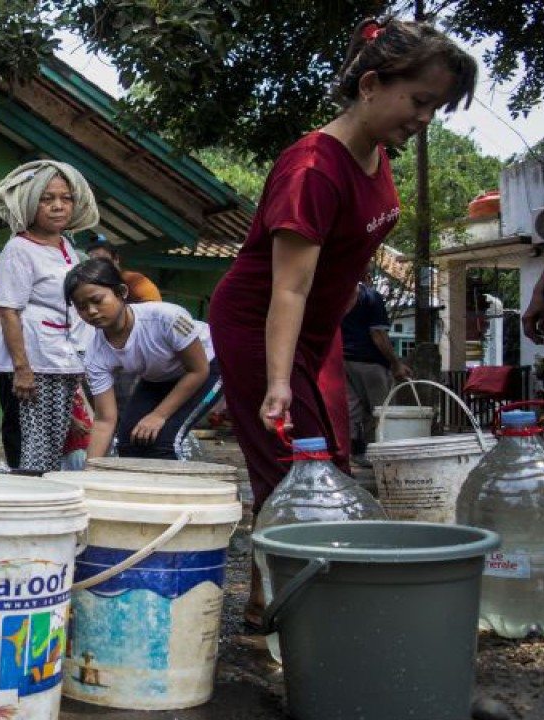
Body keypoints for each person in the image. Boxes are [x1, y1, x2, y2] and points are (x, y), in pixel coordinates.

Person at [207, 16, 476, 624]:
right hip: (263, 325)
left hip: (317, 329)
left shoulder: (377, 154)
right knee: (294, 465)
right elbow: (290, 285)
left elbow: (339, 248)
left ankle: (264, 599)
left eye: (437, 106)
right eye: (421, 100)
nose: (425, 118)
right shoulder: (312, 168)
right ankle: (301, 617)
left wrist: (348, 284)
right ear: (372, 84)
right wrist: (277, 382)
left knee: (329, 462)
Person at [0, 160, 99, 472]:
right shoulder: (19, 249)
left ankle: (44, 505)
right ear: (30, 202)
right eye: (47, 199)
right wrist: (22, 369)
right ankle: (30, 505)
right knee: (38, 446)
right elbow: (8, 310)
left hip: (62, 359)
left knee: (55, 444)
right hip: (36, 363)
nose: (57, 206)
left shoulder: (65, 245)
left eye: (65, 199)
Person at [67, 259, 220, 460]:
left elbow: (198, 370)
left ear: (121, 292)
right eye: (82, 307)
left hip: (207, 367)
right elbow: (105, 420)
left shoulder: (167, 318)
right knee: (128, 442)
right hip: (157, 378)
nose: (91, 311)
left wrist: (159, 416)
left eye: (97, 300)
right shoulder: (95, 352)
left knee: (165, 441)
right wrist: (88, 476)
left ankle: (175, 491)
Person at [341, 275, 411, 464]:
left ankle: (355, 453)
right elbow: (378, 334)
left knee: (351, 409)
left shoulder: (338, 294)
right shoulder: (370, 297)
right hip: (369, 362)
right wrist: (395, 363)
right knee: (384, 409)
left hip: (342, 360)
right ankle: (387, 457)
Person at [82, 232, 162, 302]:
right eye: (92, 262)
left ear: (116, 258)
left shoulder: (134, 280)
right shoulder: (93, 285)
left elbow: (154, 307)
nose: (98, 265)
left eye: (102, 260)